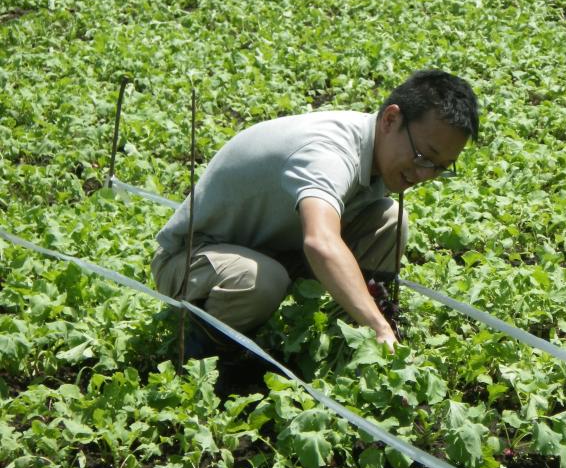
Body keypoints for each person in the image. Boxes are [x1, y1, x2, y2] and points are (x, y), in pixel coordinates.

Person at [151, 69, 479, 361]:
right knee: (261, 280)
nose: (425, 174)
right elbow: (320, 242)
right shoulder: (329, 153)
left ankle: (346, 347)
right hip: (192, 260)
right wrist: (380, 327)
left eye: (440, 168)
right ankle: (209, 360)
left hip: (274, 249)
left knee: (389, 222)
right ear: (391, 119)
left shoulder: (380, 147)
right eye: (424, 156)